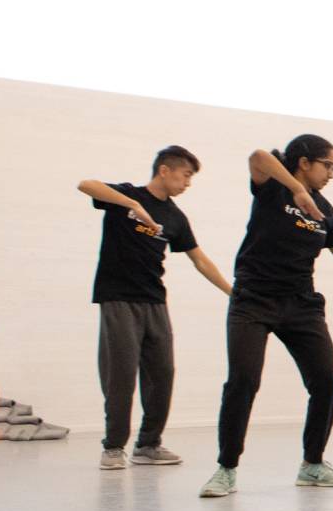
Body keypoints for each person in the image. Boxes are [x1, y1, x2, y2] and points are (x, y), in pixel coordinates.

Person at [200, 136, 333, 498]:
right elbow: (258, 156)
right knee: (243, 381)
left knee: (327, 383)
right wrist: (297, 189)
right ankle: (226, 469)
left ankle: (312, 464)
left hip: (301, 305)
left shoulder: (326, 210)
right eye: (327, 165)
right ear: (303, 162)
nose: (331, 173)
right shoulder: (273, 189)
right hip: (253, 300)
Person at [79, 146, 232, 469]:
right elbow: (86, 184)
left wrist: (234, 292)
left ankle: (148, 444)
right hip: (118, 297)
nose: (188, 183)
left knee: (162, 373)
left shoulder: (175, 217)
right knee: (120, 374)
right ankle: (113, 447)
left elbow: (199, 259)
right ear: (165, 170)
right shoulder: (126, 196)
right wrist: (132, 204)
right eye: (186, 175)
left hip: (155, 302)